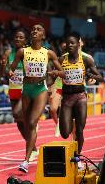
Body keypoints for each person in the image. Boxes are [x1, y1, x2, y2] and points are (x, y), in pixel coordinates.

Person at [10, 24, 65, 173]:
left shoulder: (49, 53)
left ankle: (25, 161)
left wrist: (54, 73)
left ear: (43, 36)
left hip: (41, 89)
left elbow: (62, 72)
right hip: (26, 89)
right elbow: (12, 68)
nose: (35, 31)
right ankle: (33, 148)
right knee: (28, 125)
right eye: (33, 29)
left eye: (39, 29)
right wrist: (8, 71)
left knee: (33, 122)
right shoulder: (22, 51)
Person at [59, 32, 103, 169]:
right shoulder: (61, 60)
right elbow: (53, 77)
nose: (70, 45)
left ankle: (77, 157)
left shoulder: (85, 60)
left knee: (79, 129)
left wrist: (89, 74)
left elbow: (99, 77)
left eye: (73, 43)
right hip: (66, 98)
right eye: (68, 43)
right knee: (65, 133)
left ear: (78, 44)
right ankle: (65, 120)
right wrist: (50, 80)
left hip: (80, 97)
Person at [0, 29, 38, 160]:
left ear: (25, 40)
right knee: (19, 123)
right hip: (13, 90)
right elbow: (2, 76)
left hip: (25, 90)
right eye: (16, 37)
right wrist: (2, 66)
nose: (17, 39)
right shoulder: (8, 53)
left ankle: (32, 138)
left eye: (21, 37)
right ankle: (33, 147)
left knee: (17, 114)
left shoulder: (28, 53)